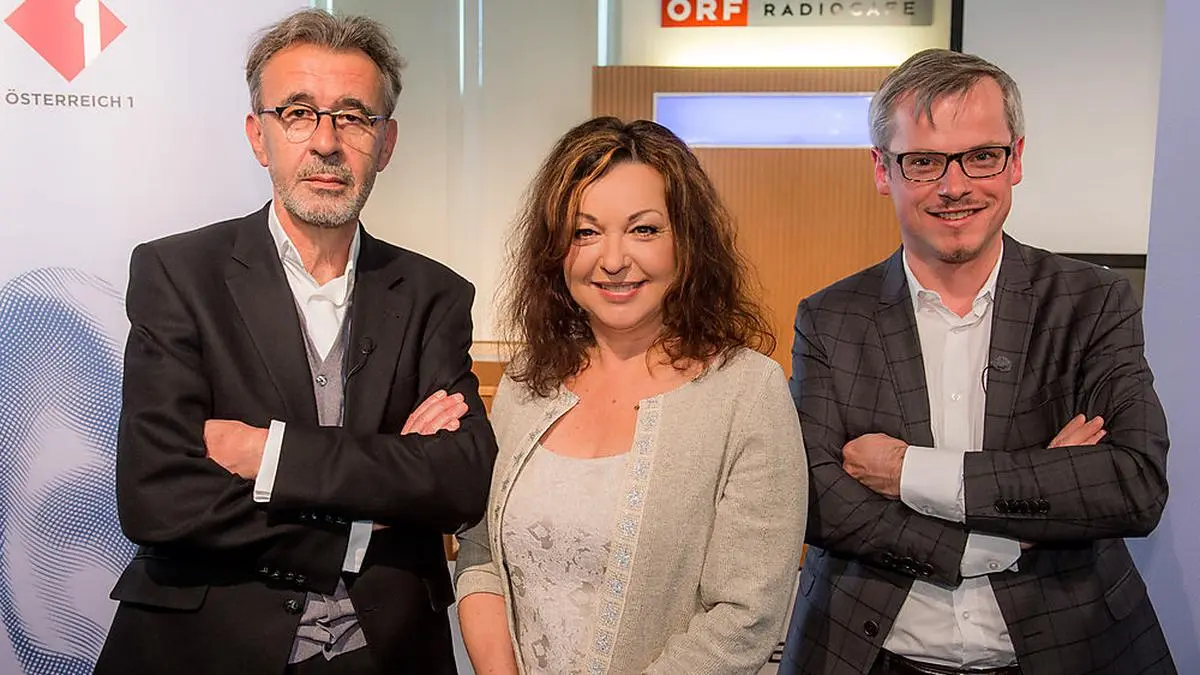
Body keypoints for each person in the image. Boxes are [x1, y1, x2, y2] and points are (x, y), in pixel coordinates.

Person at [93, 10, 497, 675]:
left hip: (385, 651)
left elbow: (459, 481)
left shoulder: (435, 294)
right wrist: (369, 512)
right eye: (299, 114)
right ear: (260, 136)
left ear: (386, 142)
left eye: (354, 117)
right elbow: (158, 496)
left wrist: (266, 454)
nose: (327, 143)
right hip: (205, 647)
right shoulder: (178, 274)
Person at [780, 48, 1174, 675]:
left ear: (1015, 160)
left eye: (981, 156)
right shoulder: (829, 317)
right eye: (924, 161)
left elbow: (1132, 483)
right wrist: (1003, 531)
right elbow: (816, 496)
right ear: (882, 170)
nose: (955, 186)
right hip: (870, 655)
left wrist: (908, 471)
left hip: (1072, 651)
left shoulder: (1092, 302)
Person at [453, 116, 808, 674]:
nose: (614, 260)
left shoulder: (747, 391)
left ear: (687, 241)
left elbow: (745, 618)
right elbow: (479, 554)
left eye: (643, 229)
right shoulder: (528, 382)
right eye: (585, 232)